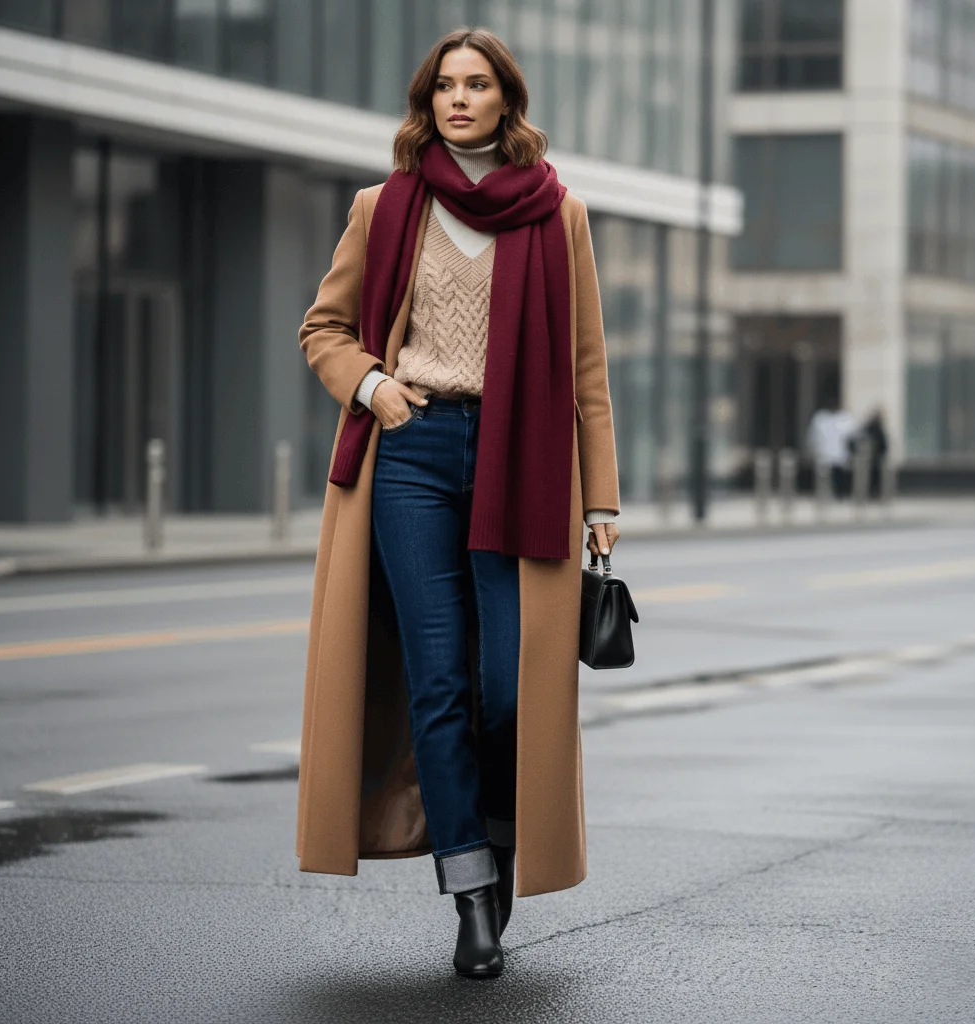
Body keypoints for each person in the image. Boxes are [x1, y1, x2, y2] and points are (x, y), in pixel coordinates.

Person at [295, 28, 621, 979]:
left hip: (523, 456)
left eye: (478, 84)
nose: (460, 99)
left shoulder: (558, 215)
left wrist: (601, 494)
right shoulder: (384, 207)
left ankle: (502, 837)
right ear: (427, 100)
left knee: (508, 682)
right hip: (414, 454)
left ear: (506, 100)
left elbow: (588, 370)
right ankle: (471, 891)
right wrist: (370, 388)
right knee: (437, 680)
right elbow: (324, 327)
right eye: (445, 86)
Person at [806, 400, 857, 499]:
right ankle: (831, 495)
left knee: (835, 477)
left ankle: (836, 495)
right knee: (827, 477)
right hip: (829, 456)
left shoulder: (840, 419)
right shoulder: (822, 419)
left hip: (836, 456)